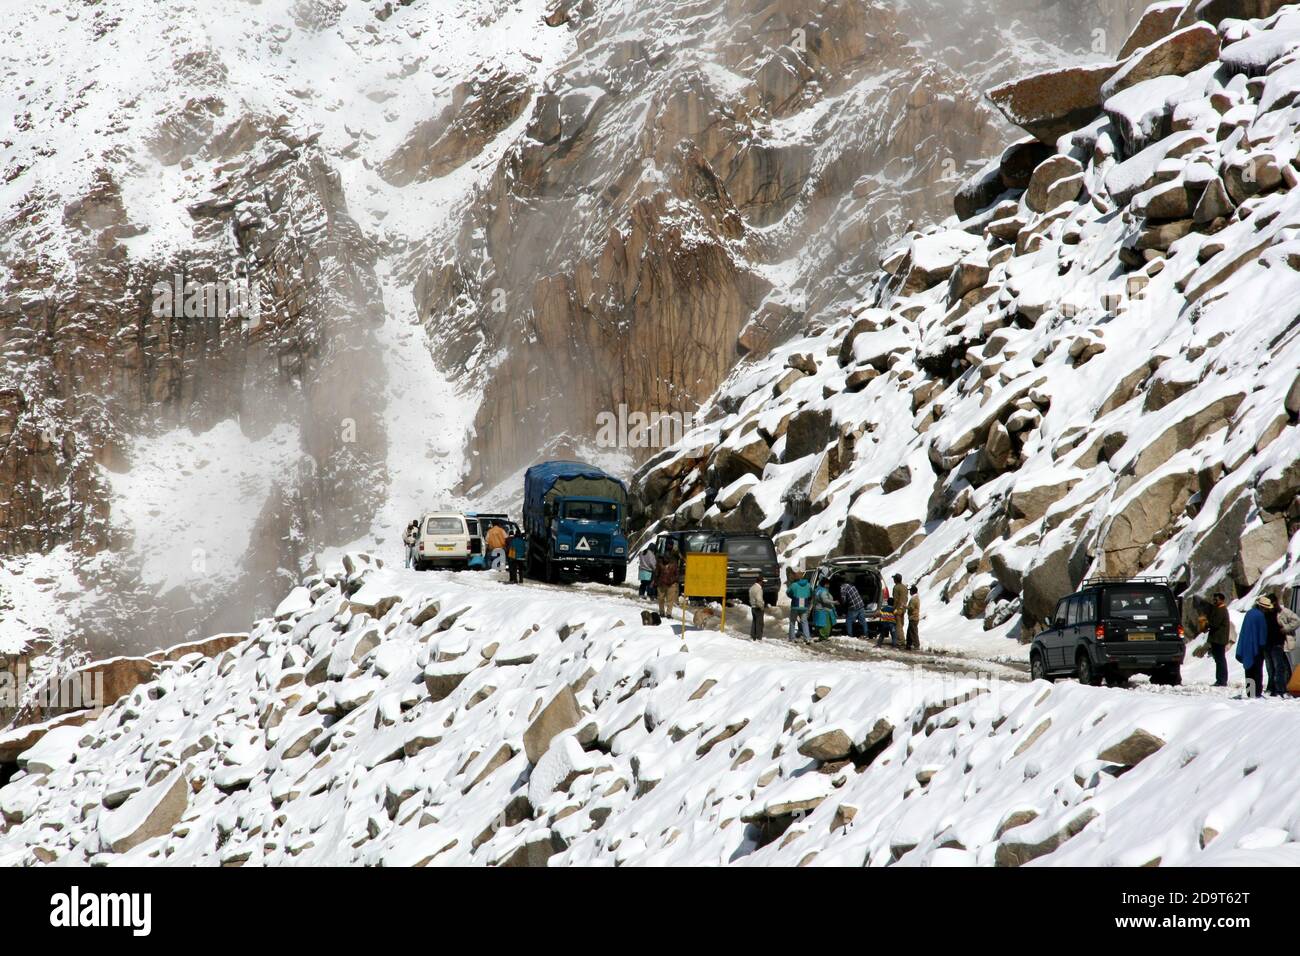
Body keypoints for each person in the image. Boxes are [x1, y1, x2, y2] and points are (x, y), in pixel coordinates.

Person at [1236, 596, 1270, 698]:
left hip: (1247, 646)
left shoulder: (1249, 613)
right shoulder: (1260, 616)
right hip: (1257, 649)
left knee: (1249, 671)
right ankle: (1257, 693)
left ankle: (1250, 692)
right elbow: (1262, 634)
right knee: (1257, 671)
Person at [1263, 594, 1291, 697]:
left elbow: (1295, 620)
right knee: (1273, 668)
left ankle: (1278, 688)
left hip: (1275, 644)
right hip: (1270, 644)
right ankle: (1275, 688)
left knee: (1277, 667)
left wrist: (1285, 629)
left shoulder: (1280, 613)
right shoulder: (1267, 614)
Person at [1203, 592, 1231, 688]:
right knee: (1219, 660)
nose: (1214, 601)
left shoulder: (1221, 610)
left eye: (1216, 599)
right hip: (1217, 639)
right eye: (1214, 599)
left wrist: (1206, 624)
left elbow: (1215, 623)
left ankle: (1222, 680)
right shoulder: (1219, 609)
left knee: (1220, 660)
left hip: (1219, 639)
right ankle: (1220, 679)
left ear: (1222, 600)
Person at [786, 569, 812, 644]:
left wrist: (792, 596)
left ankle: (792, 638)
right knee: (804, 621)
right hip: (804, 605)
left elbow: (788, 592)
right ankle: (807, 637)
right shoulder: (808, 584)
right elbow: (810, 593)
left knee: (792, 621)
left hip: (795, 605)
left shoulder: (794, 585)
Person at [654, 546, 681, 620]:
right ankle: (661, 612)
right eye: (665, 558)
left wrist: (673, 580)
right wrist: (655, 581)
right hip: (661, 583)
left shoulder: (674, 564)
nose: (665, 559)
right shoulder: (660, 563)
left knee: (670, 599)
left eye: (667, 558)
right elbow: (656, 573)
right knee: (660, 598)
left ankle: (669, 613)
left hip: (671, 584)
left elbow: (677, 574)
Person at [749, 574, 766, 641]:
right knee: (759, 624)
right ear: (760, 581)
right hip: (758, 608)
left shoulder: (752, 587)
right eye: (763, 582)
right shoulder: (759, 589)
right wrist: (762, 607)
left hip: (753, 607)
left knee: (754, 622)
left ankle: (753, 636)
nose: (764, 583)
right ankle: (759, 637)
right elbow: (759, 600)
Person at [891, 575, 909, 640]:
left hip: (898, 609)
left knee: (898, 625)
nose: (893, 580)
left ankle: (901, 640)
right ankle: (901, 638)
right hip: (903, 608)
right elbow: (906, 598)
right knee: (901, 624)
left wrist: (894, 608)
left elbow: (895, 599)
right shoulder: (905, 587)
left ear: (896, 580)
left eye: (894, 579)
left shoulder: (896, 587)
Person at [905, 584, 921, 650]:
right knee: (909, 632)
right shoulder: (916, 598)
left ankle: (916, 645)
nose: (909, 592)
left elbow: (911, 607)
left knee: (913, 632)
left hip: (913, 617)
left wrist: (905, 606)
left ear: (912, 591)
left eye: (910, 591)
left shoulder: (914, 599)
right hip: (913, 617)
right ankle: (908, 644)